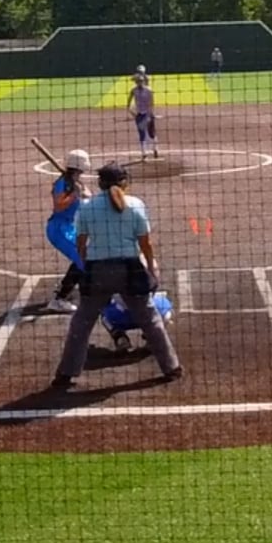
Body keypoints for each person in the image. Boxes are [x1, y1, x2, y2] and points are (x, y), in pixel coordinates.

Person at [51, 162, 182, 388]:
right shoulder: (136, 204)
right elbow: (146, 243)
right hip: (130, 270)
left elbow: (81, 244)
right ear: (124, 183)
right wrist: (151, 270)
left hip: (98, 271)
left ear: (100, 183)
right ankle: (172, 368)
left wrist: (86, 267)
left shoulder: (88, 208)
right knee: (150, 319)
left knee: (81, 323)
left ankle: (65, 374)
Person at [43, 149, 92, 314]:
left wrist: (83, 193)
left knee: (84, 256)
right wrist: (74, 195)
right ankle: (59, 300)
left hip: (70, 227)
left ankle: (66, 287)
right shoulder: (63, 183)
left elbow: (87, 199)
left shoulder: (75, 182)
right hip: (59, 229)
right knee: (83, 258)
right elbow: (58, 206)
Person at [125, 72, 158, 159]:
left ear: (143, 81)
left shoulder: (149, 90)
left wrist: (150, 114)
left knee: (151, 133)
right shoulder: (134, 90)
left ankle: (155, 149)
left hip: (148, 113)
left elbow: (152, 103)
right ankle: (144, 153)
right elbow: (129, 102)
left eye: (140, 81)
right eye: (138, 81)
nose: (139, 83)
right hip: (139, 114)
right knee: (141, 133)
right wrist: (132, 112)